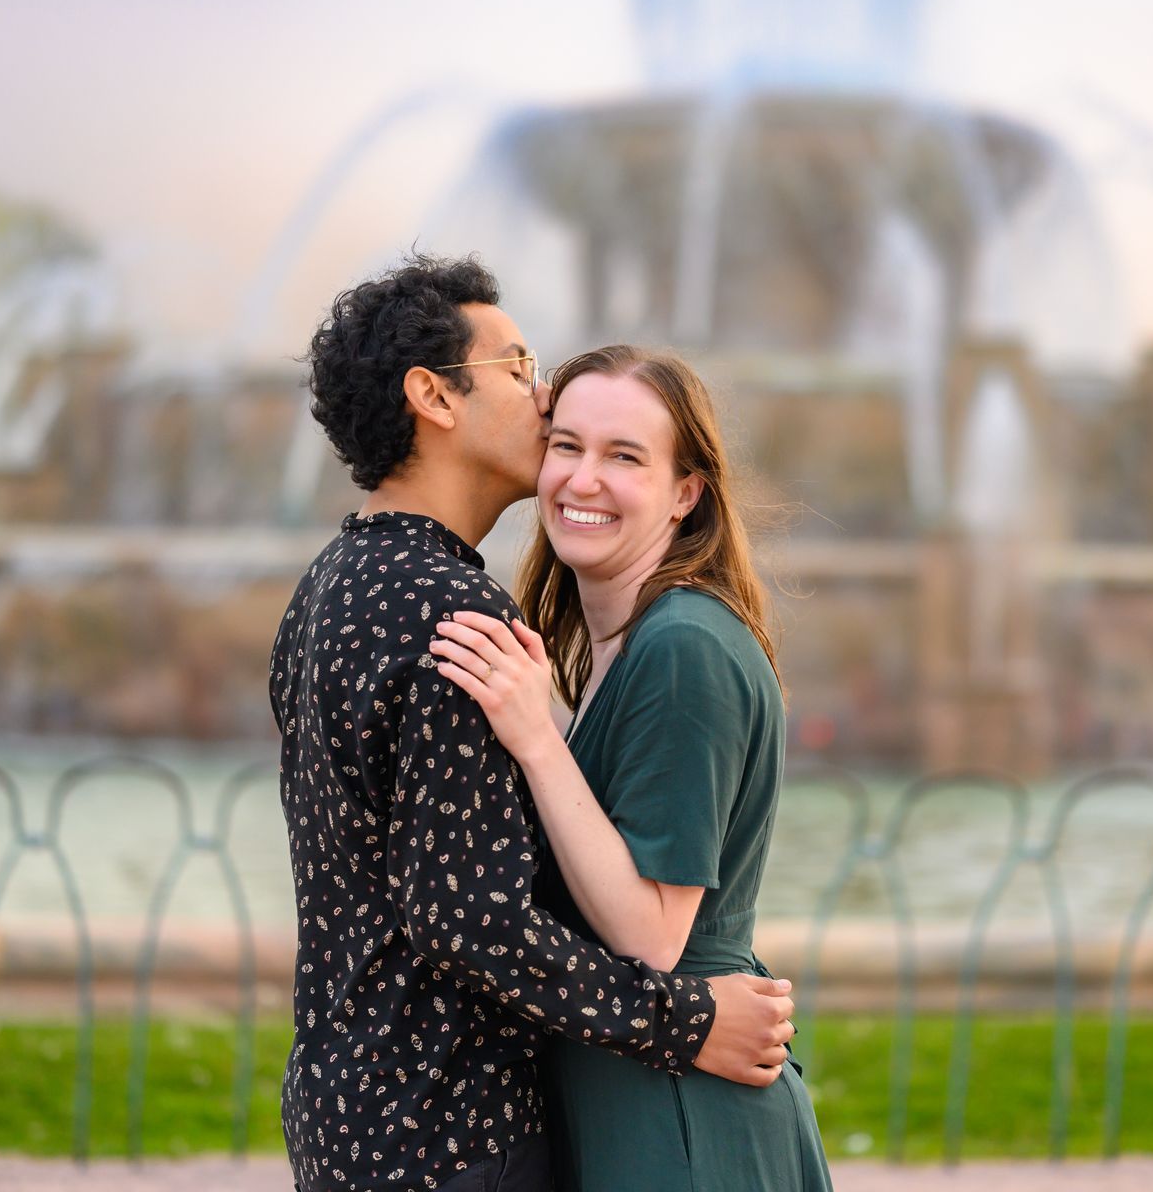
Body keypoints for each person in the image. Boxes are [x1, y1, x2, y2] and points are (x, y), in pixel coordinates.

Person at [268, 256, 796, 1192]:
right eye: (517, 368)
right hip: (452, 1131)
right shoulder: (453, 614)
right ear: (432, 396)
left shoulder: (331, 587)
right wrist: (688, 1022)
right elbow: (467, 914)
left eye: (624, 453)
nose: (542, 396)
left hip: (349, 1112)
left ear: (688, 492)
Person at [429, 345, 833, 1191]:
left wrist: (534, 738)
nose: (581, 480)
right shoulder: (634, 642)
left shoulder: (683, 647)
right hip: (644, 1095)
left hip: (682, 1119)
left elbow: (653, 936)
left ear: (687, 492)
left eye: (624, 456)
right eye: (566, 445)